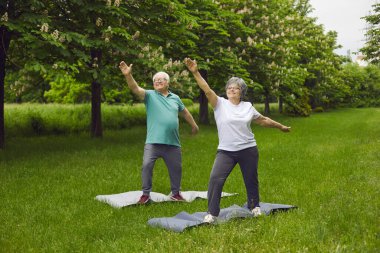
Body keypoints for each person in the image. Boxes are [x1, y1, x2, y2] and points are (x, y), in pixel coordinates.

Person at [184, 58, 291, 223]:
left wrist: (280, 126)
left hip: (248, 149)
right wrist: (195, 72)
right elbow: (206, 89)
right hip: (226, 151)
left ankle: (254, 206)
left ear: (242, 92)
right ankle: (212, 213)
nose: (232, 89)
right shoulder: (220, 103)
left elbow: (263, 120)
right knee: (215, 179)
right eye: (229, 87)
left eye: (236, 88)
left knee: (251, 179)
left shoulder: (247, 106)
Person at [119, 61, 199, 204]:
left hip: (173, 142)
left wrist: (194, 125)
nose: (157, 82)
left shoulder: (175, 98)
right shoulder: (150, 95)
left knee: (176, 168)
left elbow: (185, 113)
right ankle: (145, 194)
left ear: (167, 83)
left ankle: (175, 193)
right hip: (153, 142)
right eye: (155, 80)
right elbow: (135, 89)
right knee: (146, 166)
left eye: (160, 79)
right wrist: (128, 75)